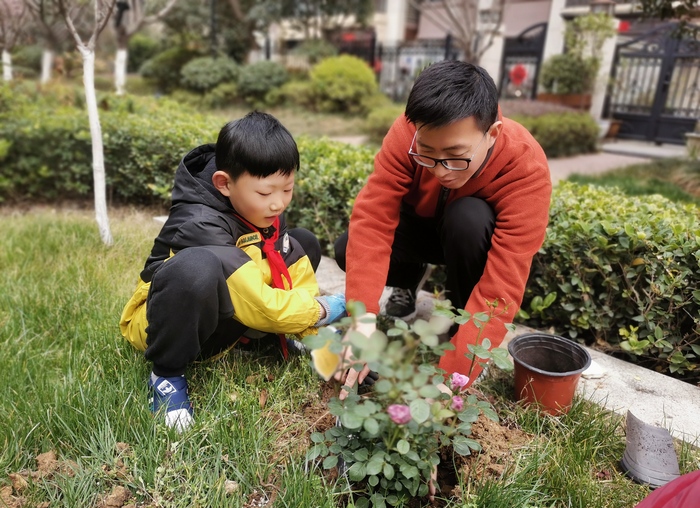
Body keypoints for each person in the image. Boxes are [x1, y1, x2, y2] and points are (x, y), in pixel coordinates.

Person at [333, 60, 552, 395]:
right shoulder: (407, 133)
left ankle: (461, 316)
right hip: (419, 229)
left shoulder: (526, 167)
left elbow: (502, 287)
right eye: (427, 153)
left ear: (491, 133)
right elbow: (373, 219)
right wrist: (361, 319)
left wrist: (452, 378)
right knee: (346, 246)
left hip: (468, 237)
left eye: (456, 155)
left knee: (469, 217)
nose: (441, 170)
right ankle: (408, 280)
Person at [120, 111, 346, 431]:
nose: (278, 203)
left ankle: (283, 334)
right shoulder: (199, 223)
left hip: (229, 304)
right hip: (169, 321)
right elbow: (257, 302)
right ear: (224, 184)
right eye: (266, 193)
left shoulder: (260, 206)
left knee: (300, 242)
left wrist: (306, 326)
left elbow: (282, 263)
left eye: (287, 189)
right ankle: (166, 375)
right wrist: (321, 309)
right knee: (197, 268)